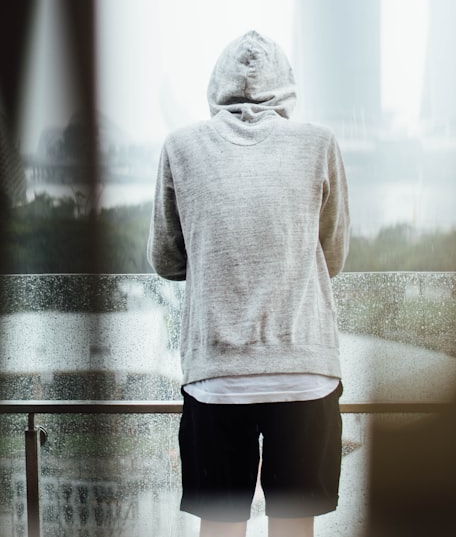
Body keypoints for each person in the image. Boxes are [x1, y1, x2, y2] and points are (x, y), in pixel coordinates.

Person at [148, 30, 350, 537]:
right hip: (305, 372)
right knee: (293, 527)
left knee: (220, 528)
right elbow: (334, 255)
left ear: (217, 87)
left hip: (216, 375)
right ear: (286, 90)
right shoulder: (319, 144)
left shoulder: (181, 147)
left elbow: (166, 259)